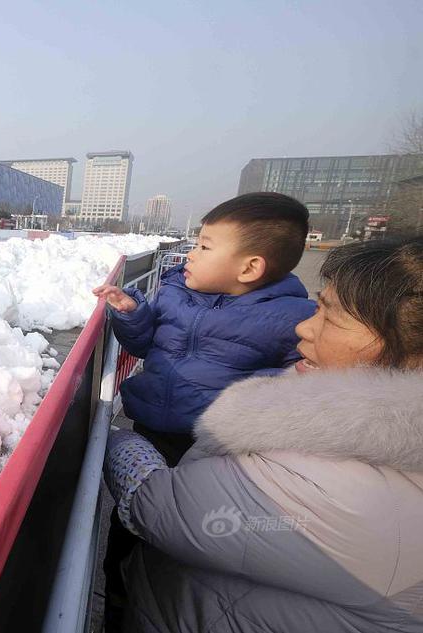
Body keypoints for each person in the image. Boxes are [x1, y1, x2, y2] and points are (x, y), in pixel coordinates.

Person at [105, 236, 423, 632]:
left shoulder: (347, 495)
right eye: (317, 307)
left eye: (331, 316)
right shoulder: (177, 294)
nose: (303, 328)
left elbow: (157, 506)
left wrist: (110, 438)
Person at [93, 192, 316, 465]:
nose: (190, 254)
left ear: (250, 268)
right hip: (151, 424)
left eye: (204, 247)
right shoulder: (174, 294)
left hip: (220, 446)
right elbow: (143, 346)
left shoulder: (294, 318)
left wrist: (255, 393)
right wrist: (132, 314)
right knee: (134, 482)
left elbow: (301, 382)